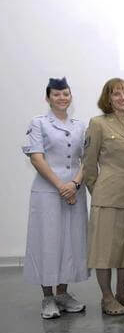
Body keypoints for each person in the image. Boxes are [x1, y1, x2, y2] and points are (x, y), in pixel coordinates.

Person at [22, 77, 89, 319]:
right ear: (48, 97)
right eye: (57, 94)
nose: (62, 98)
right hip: (48, 192)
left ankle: (63, 293)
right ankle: (47, 298)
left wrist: (74, 184)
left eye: (66, 94)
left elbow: (87, 159)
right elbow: (36, 157)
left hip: (74, 190)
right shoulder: (38, 123)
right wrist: (61, 186)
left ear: (71, 97)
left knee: (70, 242)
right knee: (47, 242)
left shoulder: (80, 125)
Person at [83, 78, 124, 316]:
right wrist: (97, 191)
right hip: (108, 195)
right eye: (116, 94)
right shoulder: (98, 123)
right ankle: (106, 297)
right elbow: (89, 164)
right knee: (105, 251)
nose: (122, 98)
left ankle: (121, 293)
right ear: (107, 98)